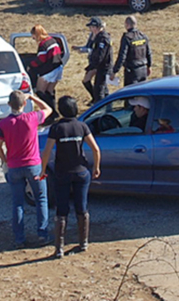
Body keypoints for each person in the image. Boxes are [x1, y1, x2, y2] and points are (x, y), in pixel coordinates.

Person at [40, 96, 101, 259]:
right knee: (82, 207)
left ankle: (59, 248)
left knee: (62, 210)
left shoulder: (57, 128)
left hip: (62, 173)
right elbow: (95, 149)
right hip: (81, 172)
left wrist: (43, 169)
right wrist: (96, 167)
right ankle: (83, 242)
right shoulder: (82, 126)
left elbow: (47, 151)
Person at [0, 90, 53, 248]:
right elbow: (48, 109)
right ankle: (43, 234)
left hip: (14, 166)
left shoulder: (3, 124)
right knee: (41, 198)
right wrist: (33, 96)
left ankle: (19, 238)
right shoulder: (32, 118)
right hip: (34, 165)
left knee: (17, 203)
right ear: (24, 104)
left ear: (9, 105)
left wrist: (5, 160)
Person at [27, 25, 64, 121]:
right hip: (58, 68)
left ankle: (49, 113)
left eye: (33, 35)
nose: (33, 38)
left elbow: (41, 59)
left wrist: (31, 65)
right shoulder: (52, 40)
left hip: (48, 70)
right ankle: (54, 112)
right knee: (50, 91)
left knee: (40, 91)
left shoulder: (43, 44)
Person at [81, 17, 113, 103]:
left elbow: (100, 56)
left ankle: (101, 107)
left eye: (91, 27)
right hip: (100, 67)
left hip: (103, 67)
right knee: (101, 89)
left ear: (96, 27)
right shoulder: (97, 37)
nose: (90, 29)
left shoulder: (102, 38)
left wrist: (91, 66)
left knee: (99, 90)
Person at [113, 16, 151, 86]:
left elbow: (122, 55)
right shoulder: (143, 36)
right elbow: (148, 53)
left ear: (127, 24)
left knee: (130, 95)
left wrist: (115, 70)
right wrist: (149, 66)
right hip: (143, 70)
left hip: (132, 72)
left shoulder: (127, 37)